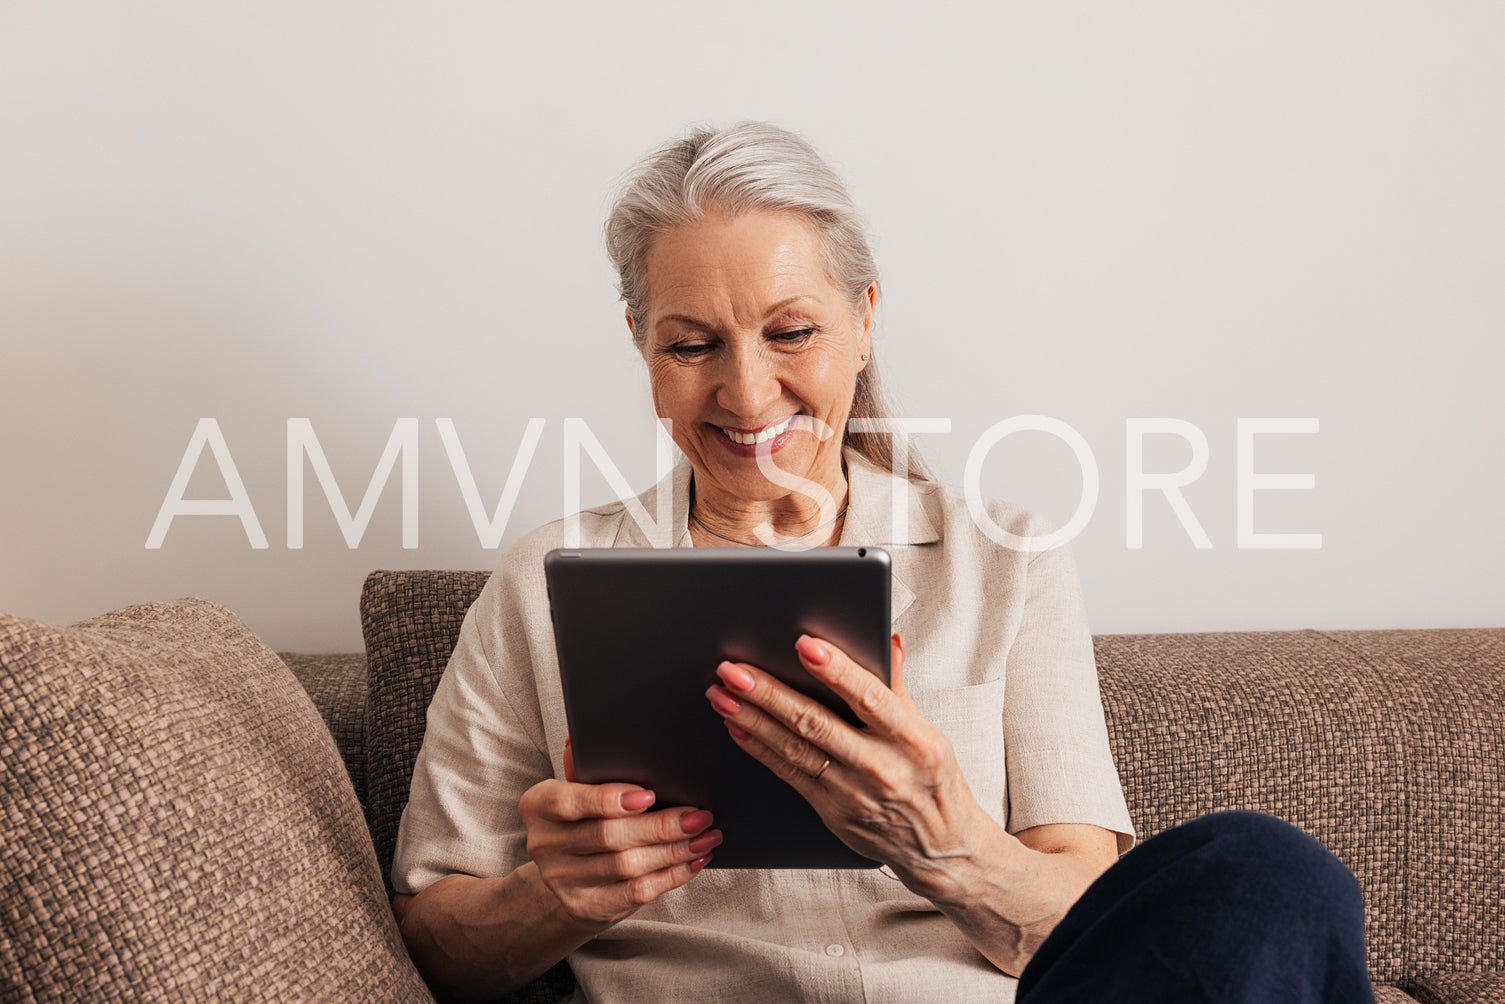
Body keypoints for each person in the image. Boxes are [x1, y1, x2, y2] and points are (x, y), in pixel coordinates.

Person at [390, 123, 1374, 1004]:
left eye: (791, 331)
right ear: (641, 345)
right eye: (691, 343)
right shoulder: (544, 581)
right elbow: (436, 935)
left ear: (862, 320)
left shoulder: (1005, 557)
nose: (745, 389)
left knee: (1269, 872)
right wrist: (548, 896)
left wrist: (943, 842)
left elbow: (1087, 912)